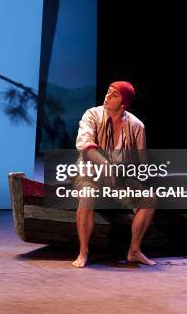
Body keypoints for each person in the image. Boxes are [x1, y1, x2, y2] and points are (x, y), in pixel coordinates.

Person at [71, 81, 156, 268]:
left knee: (149, 198)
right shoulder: (92, 115)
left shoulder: (136, 126)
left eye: (114, 95)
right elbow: (84, 144)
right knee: (87, 195)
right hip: (90, 174)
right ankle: (83, 252)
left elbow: (141, 163)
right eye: (108, 92)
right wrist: (106, 164)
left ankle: (134, 250)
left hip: (119, 180)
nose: (107, 97)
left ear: (123, 103)